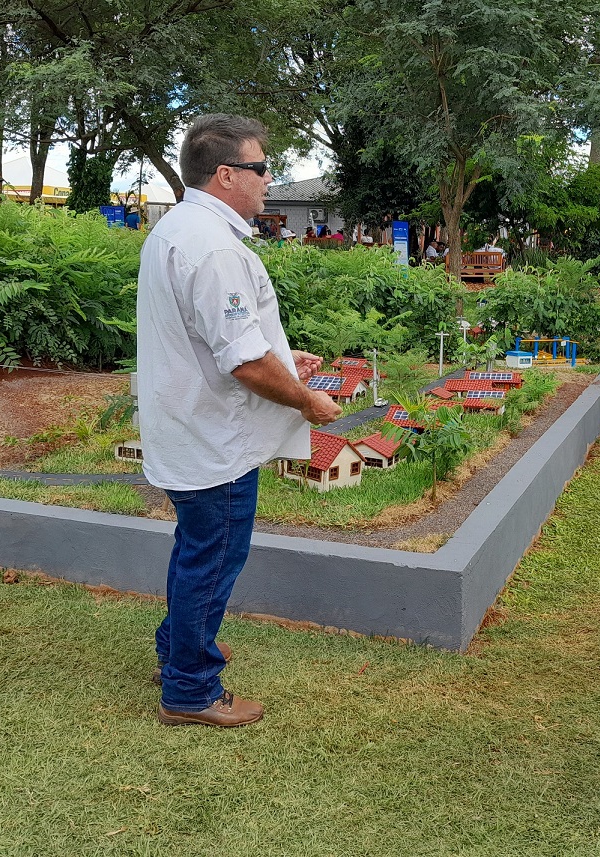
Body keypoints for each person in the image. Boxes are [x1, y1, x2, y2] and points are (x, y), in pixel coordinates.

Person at [136, 114, 343, 728]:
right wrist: (305, 399)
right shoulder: (215, 248)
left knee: (196, 551)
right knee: (213, 557)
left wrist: (285, 357)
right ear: (226, 175)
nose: (268, 180)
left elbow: (221, 338)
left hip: (189, 426)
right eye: (261, 169)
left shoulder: (179, 230)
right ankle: (191, 688)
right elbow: (245, 362)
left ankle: (180, 649)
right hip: (214, 438)